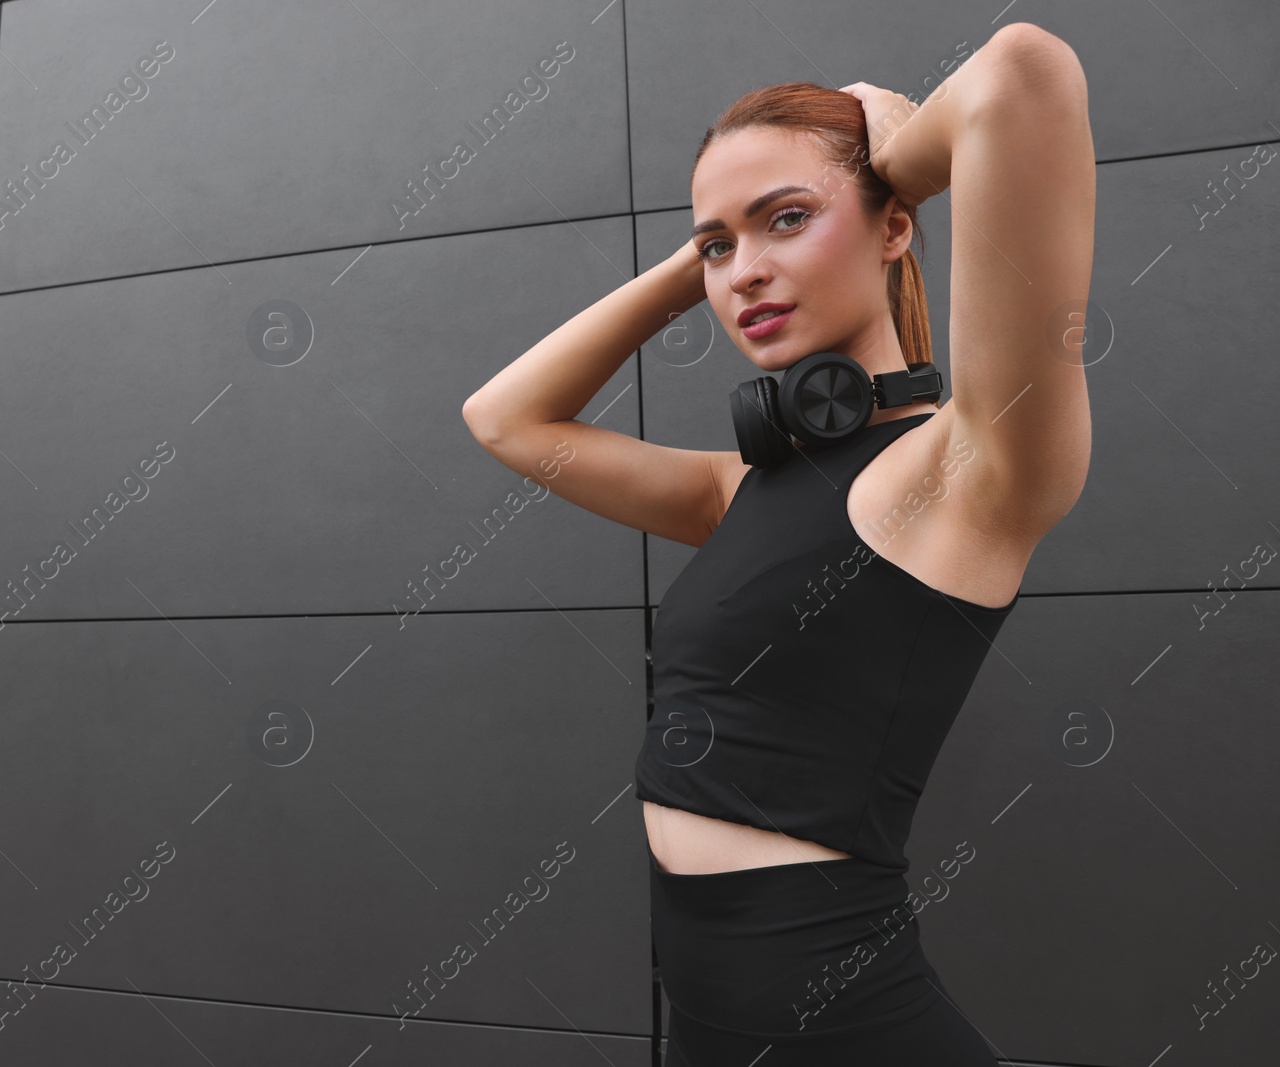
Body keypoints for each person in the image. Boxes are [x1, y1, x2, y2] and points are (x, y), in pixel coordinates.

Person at [462, 20, 1094, 1065]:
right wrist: (696, 262)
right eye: (719, 244)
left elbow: (1020, 72)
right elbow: (506, 419)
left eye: (786, 220)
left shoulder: (967, 470)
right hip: (709, 1026)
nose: (743, 272)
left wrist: (889, 158)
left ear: (895, 228)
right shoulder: (742, 485)